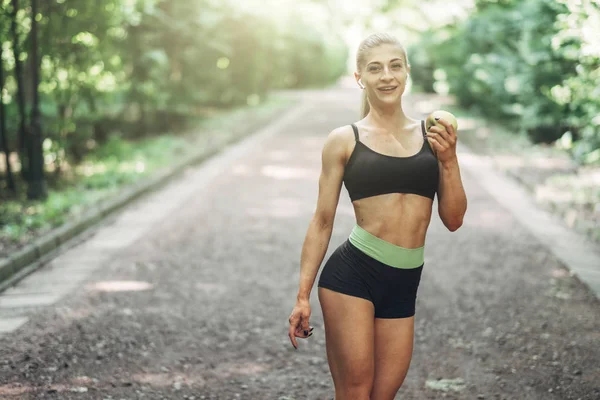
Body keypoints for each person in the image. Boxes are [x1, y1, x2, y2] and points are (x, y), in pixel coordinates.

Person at [287, 32, 468, 400]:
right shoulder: (345, 139)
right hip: (352, 277)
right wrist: (302, 295)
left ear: (406, 72)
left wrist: (449, 161)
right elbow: (322, 221)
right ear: (360, 79)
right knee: (355, 392)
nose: (387, 75)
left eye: (394, 66)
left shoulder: (432, 135)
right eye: (375, 68)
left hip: (404, 282)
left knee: (383, 395)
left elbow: (453, 219)